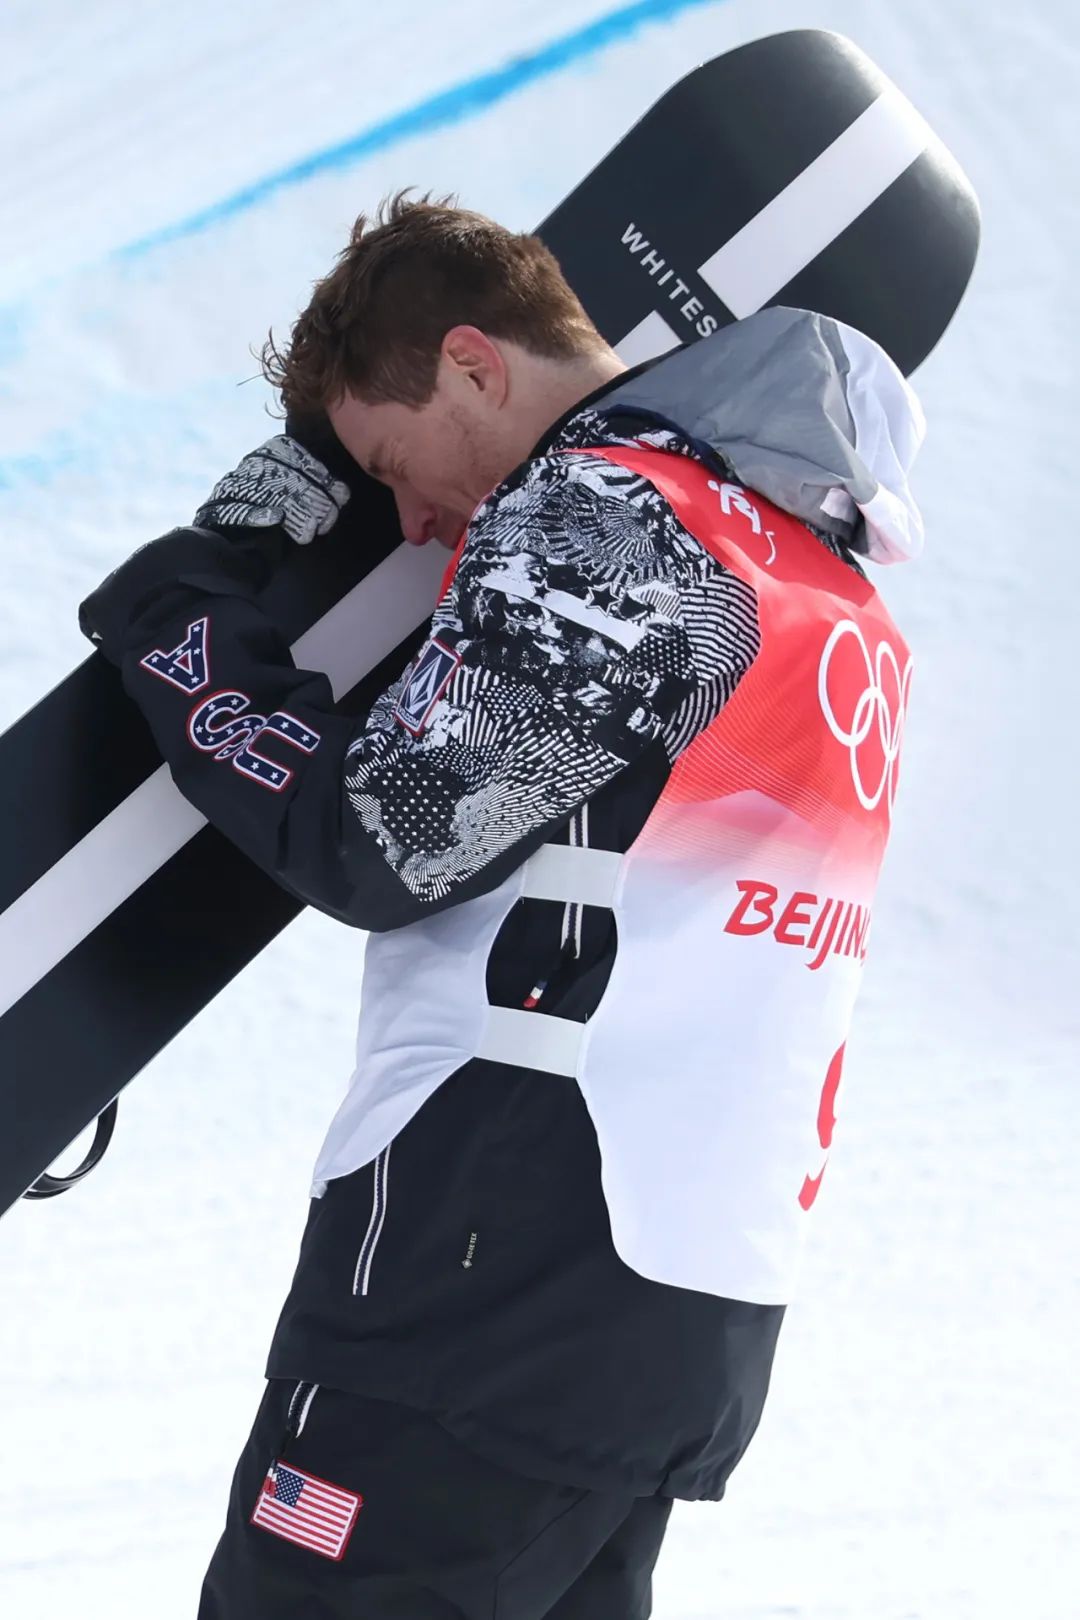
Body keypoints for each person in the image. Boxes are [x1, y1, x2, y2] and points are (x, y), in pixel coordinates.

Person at [81, 194, 924, 1619]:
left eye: (393, 461)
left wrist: (186, 610)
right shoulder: (824, 577)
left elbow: (376, 837)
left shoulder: (614, 521)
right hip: (684, 1299)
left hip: (482, 1288)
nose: (409, 521)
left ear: (475, 363)